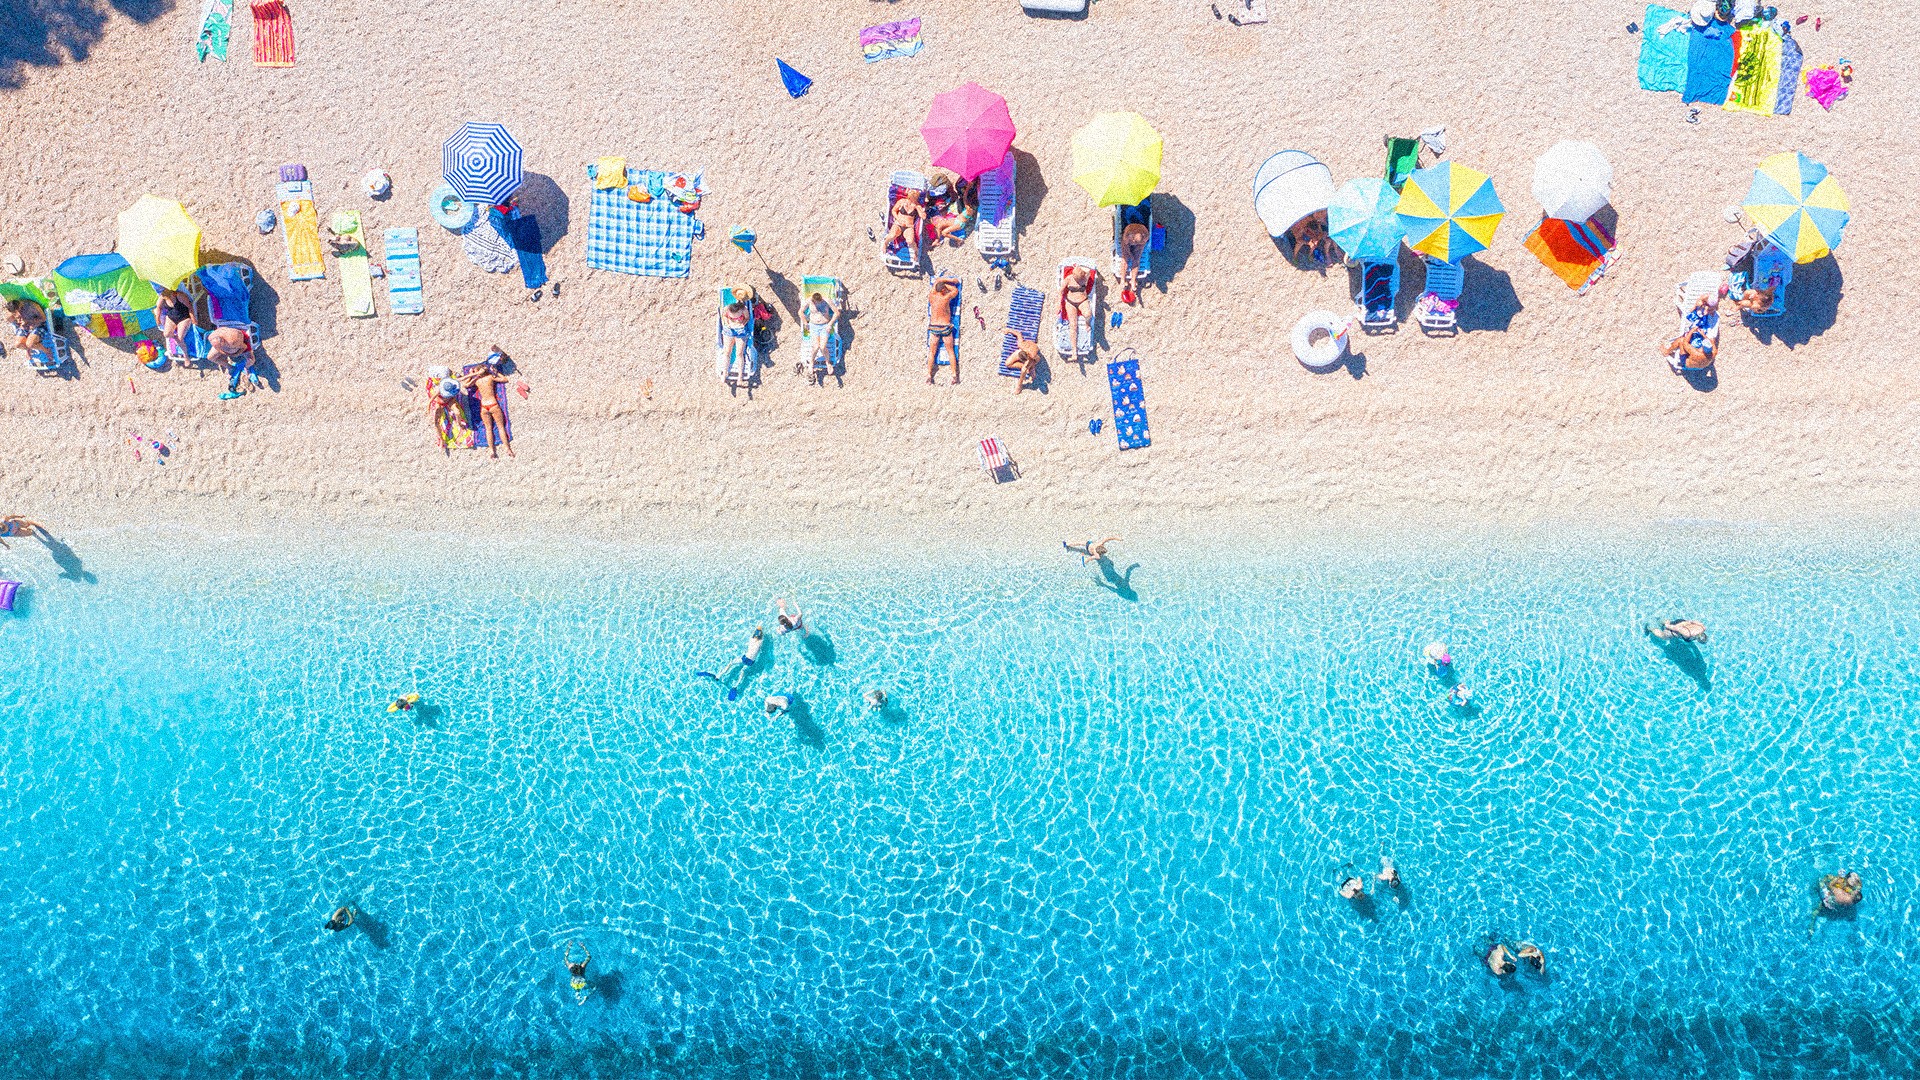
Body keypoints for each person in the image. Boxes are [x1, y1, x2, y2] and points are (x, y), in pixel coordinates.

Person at [463, 353, 515, 459]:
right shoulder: (490, 377)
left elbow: (466, 385)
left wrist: (472, 375)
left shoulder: (477, 380)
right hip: (493, 404)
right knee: (501, 427)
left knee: (488, 429)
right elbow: (505, 379)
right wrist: (496, 372)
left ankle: (492, 451)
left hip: (484, 406)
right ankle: (507, 449)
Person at [1665, 295, 1719, 373]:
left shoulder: (1696, 353)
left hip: (1687, 365)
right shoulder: (1714, 351)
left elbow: (1685, 342)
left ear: (1703, 349)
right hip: (1702, 366)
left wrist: (1692, 330)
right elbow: (1710, 340)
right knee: (1704, 338)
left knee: (1680, 341)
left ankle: (1667, 351)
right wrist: (1703, 334)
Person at [926, 275, 961, 384]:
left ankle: (928, 376)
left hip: (934, 327)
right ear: (943, 290)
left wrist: (942, 283)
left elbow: (937, 281)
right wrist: (949, 282)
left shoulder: (931, 296)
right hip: (945, 327)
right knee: (950, 351)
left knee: (932, 352)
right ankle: (954, 376)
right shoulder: (946, 298)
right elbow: (955, 290)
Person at [5, 297, 55, 367]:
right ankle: (28, 349)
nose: (16, 313)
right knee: (18, 344)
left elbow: (43, 319)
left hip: (37, 326)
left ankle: (46, 350)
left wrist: (29, 321)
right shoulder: (14, 309)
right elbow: (10, 317)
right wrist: (16, 320)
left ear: (18, 305)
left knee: (30, 344)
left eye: (16, 311)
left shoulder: (32, 306)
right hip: (24, 327)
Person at [208, 327, 255, 399]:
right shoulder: (211, 337)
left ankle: (246, 368)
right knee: (210, 357)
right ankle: (230, 367)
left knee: (251, 360)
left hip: (240, 344)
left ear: (223, 341)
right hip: (227, 347)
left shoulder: (233, 341)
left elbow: (244, 347)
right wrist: (225, 352)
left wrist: (235, 354)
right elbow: (218, 348)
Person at [931, 176, 977, 243]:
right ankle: (937, 240)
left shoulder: (969, 209)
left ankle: (959, 240)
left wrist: (968, 188)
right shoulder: (969, 208)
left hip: (959, 224)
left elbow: (964, 198)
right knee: (940, 226)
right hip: (957, 221)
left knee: (944, 232)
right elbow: (965, 199)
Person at [720, 289, 755, 379]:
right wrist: (727, 323)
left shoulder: (743, 309)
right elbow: (723, 316)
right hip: (729, 330)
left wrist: (743, 323)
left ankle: (740, 375)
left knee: (739, 353)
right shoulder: (727, 308)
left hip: (740, 331)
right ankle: (724, 372)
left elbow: (747, 318)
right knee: (727, 352)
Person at [1061, 265, 1093, 356]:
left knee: (1088, 314)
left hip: (1083, 301)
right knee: (1073, 325)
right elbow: (1060, 290)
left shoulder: (1085, 277)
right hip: (1071, 302)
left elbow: (1089, 268)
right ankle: (1074, 351)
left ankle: (1087, 324)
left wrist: (1079, 267)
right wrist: (1058, 303)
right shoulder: (1069, 279)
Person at [155, 286, 194, 357]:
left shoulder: (179, 295)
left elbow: (190, 307)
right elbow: (158, 308)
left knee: (180, 338)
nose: (162, 295)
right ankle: (175, 342)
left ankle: (186, 355)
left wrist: (193, 319)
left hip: (184, 317)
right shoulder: (163, 297)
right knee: (166, 334)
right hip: (171, 318)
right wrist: (157, 319)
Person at [804, 291, 838, 371]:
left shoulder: (827, 301)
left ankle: (828, 363)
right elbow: (800, 312)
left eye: (817, 302)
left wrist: (830, 324)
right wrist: (805, 323)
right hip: (813, 326)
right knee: (816, 347)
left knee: (822, 347)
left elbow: (836, 312)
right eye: (814, 302)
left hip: (824, 326)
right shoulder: (809, 301)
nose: (815, 303)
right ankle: (811, 363)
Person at [885, 189, 925, 256]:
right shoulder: (902, 202)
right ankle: (885, 243)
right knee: (892, 235)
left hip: (909, 227)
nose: (913, 200)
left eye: (915, 198)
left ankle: (916, 251)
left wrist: (918, 208)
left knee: (910, 241)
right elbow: (893, 211)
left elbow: (923, 217)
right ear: (909, 196)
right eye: (912, 198)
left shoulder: (917, 206)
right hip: (898, 223)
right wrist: (898, 219)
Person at [1119, 217, 1150, 305]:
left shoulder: (1144, 236)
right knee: (1125, 259)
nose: (1134, 245)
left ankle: (1133, 281)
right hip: (1129, 234)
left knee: (1136, 260)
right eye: (1133, 243)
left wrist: (1134, 256)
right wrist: (1130, 254)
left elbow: (1139, 250)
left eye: (1135, 243)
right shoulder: (1127, 235)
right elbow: (1126, 251)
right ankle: (1122, 279)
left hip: (1139, 236)